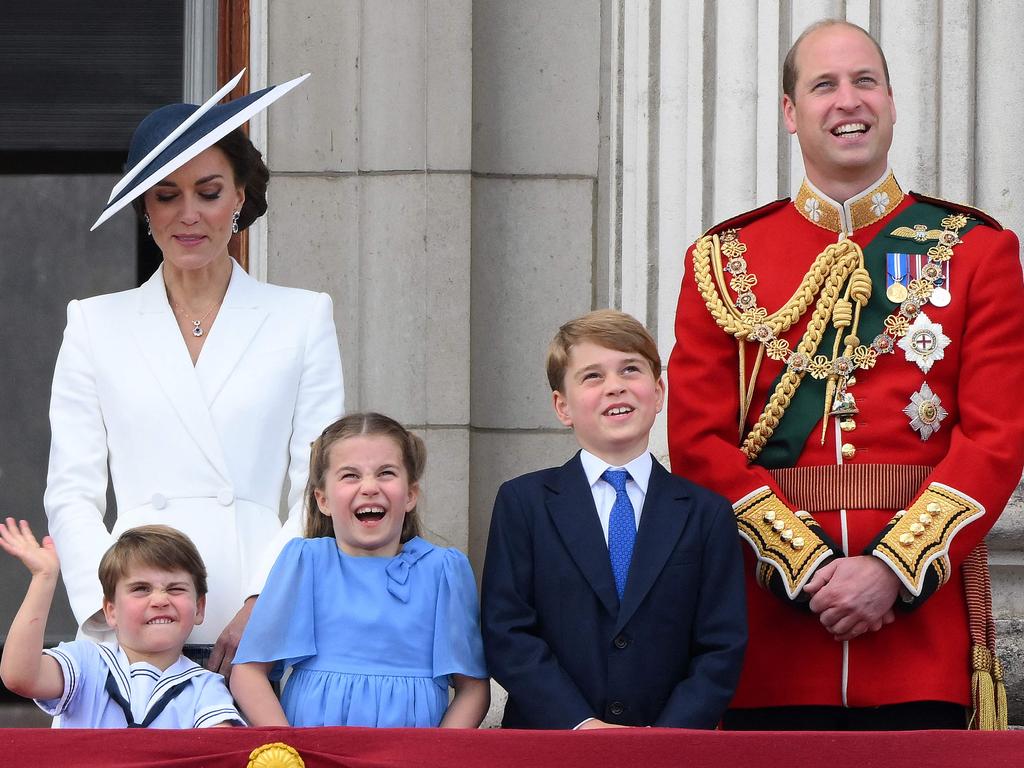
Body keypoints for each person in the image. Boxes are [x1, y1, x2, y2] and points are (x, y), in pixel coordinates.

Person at [668, 20, 1024, 730]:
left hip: (918, 643)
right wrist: (807, 570)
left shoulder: (977, 252)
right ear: (790, 113)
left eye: (864, 81)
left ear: (891, 102)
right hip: (770, 643)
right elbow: (699, 445)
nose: (847, 100)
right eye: (823, 85)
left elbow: (996, 440)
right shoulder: (724, 259)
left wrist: (891, 570)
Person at [43, 70, 345, 677]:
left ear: (239, 197)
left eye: (208, 192)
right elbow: (71, 494)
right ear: (142, 205)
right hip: (130, 622)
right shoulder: (94, 324)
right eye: (166, 193)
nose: (189, 215)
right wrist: (112, 610)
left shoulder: (302, 316)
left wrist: (266, 601)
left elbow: (321, 486)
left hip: (255, 620)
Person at [481, 310, 746, 729]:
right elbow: (507, 632)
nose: (615, 386)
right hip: (550, 744)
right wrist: (580, 725)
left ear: (658, 393)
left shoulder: (706, 513)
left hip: (666, 751)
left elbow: (721, 646)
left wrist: (663, 739)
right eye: (592, 377)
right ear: (562, 406)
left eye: (630, 369)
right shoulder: (524, 503)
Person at [230, 412, 490, 727]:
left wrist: (437, 757)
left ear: (410, 495)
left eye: (386, 473)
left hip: (410, 758)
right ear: (322, 499)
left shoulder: (444, 571)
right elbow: (248, 672)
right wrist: (288, 748)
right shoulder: (305, 563)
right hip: (316, 754)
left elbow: (472, 688)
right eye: (350, 475)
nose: (369, 486)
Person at [0, 520, 244, 728]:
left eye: (175, 588)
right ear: (111, 611)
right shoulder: (86, 663)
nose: (160, 600)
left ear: (199, 608)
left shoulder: (206, 687)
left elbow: (218, 751)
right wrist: (44, 578)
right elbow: (20, 676)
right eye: (141, 589)